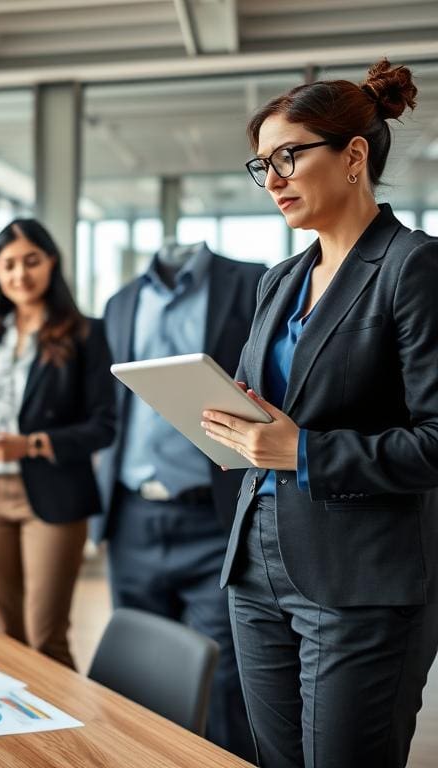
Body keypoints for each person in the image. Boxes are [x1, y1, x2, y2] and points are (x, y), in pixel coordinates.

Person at [202, 59, 438, 768]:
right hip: (258, 564)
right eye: (262, 165)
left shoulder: (413, 268)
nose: (271, 179)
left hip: (360, 579)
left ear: (354, 155)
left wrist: (302, 452)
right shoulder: (280, 280)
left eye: (287, 157)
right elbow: (269, 407)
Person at [93, 238, 262, 760]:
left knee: (227, 679)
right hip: (133, 518)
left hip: (214, 517)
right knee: (138, 676)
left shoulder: (251, 281)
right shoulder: (119, 303)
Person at [0, 218, 115, 669]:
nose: (20, 274)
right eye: (9, 265)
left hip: (54, 497)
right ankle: (22, 738)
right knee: (9, 638)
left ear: (51, 264)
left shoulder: (86, 334)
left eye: (31, 261)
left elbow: (104, 426)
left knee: (45, 637)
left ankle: (66, 741)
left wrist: (32, 444)